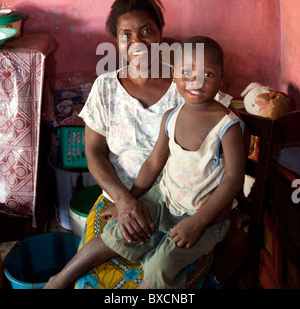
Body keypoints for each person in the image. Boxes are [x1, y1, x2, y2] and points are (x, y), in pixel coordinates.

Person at [45, 36, 245, 289]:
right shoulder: (170, 117)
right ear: (174, 74)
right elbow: (152, 164)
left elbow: (234, 179)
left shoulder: (227, 127)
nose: (196, 82)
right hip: (163, 198)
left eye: (208, 74)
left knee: (160, 268)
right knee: (118, 233)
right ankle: (59, 279)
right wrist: (128, 201)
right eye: (186, 72)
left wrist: (199, 221)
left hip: (202, 214)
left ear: (222, 77)